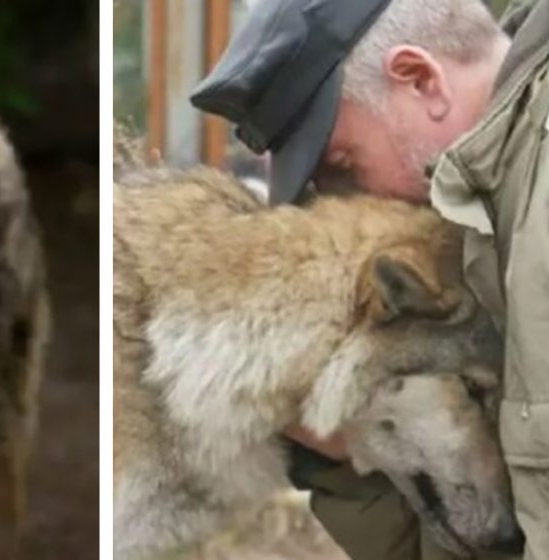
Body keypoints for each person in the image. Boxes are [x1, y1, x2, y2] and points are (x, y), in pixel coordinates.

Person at [191, 0, 546, 558]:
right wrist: (342, 456)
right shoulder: (491, 219)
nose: (350, 207)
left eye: (345, 167)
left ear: (419, 79)